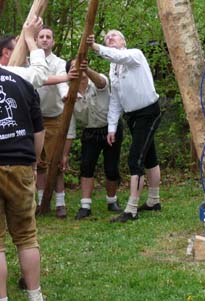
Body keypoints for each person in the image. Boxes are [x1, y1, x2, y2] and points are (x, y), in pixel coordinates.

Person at [87, 30, 162, 223]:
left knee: (135, 159)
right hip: (132, 116)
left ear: (124, 41)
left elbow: (118, 56)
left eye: (114, 36)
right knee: (149, 157)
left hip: (149, 111)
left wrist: (96, 47)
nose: (110, 38)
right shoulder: (113, 69)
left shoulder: (134, 55)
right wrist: (111, 127)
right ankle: (154, 201)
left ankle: (131, 209)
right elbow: (115, 100)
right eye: (106, 38)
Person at [0, 30, 45, 301]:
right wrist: (34, 162)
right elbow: (38, 132)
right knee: (27, 236)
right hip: (21, 161)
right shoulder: (22, 78)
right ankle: (35, 296)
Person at [65, 59, 123, 220]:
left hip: (110, 129)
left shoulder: (97, 79)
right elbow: (69, 125)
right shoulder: (69, 94)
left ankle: (112, 201)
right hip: (90, 132)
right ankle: (85, 206)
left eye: (81, 65)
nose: (79, 69)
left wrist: (87, 69)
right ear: (69, 72)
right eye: (74, 67)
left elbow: (102, 83)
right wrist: (65, 153)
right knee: (86, 166)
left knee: (111, 168)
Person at [35, 27, 70, 219]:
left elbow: (62, 84)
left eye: (48, 36)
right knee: (38, 163)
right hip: (33, 120)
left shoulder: (59, 62)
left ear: (53, 41)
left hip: (54, 118)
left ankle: (60, 203)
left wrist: (66, 95)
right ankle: (41, 202)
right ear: (36, 40)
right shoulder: (29, 61)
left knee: (55, 163)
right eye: (41, 37)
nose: (45, 40)